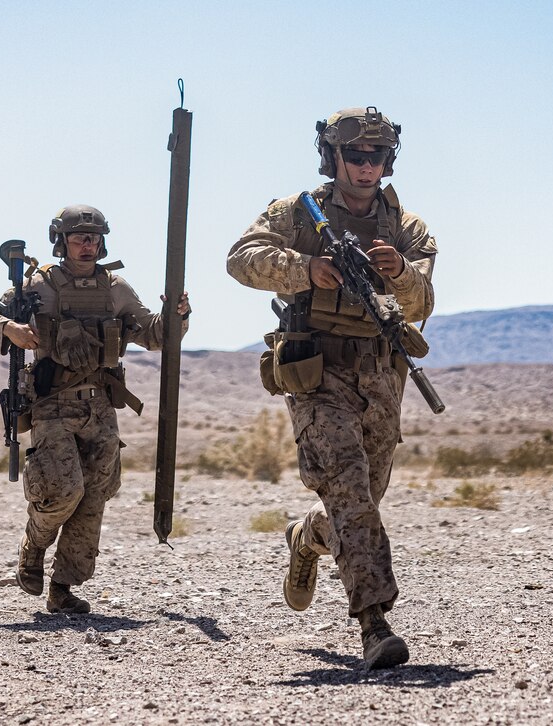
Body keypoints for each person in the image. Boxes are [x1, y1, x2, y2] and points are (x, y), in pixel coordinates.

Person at [226, 107, 437, 669]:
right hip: (317, 372)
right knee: (346, 485)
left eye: (377, 158)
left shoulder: (406, 229)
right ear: (334, 157)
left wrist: (401, 273)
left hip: (379, 375)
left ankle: (308, 538)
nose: (367, 167)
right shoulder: (299, 213)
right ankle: (375, 624)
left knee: (361, 500)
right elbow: (241, 260)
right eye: (356, 157)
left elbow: (423, 303)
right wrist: (305, 268)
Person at [0, 205, 191, 614]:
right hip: (52, 405)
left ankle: (63, 587)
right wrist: (9, 329)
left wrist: (177, 316)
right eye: (79, 238)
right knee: (62, 492)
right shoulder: (37, 285)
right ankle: (33, 546)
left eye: (93, 238)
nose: (87, 245)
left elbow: (155, 334)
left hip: (101, 408)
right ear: (61, 241)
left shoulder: (116, 288)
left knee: (93, 499)